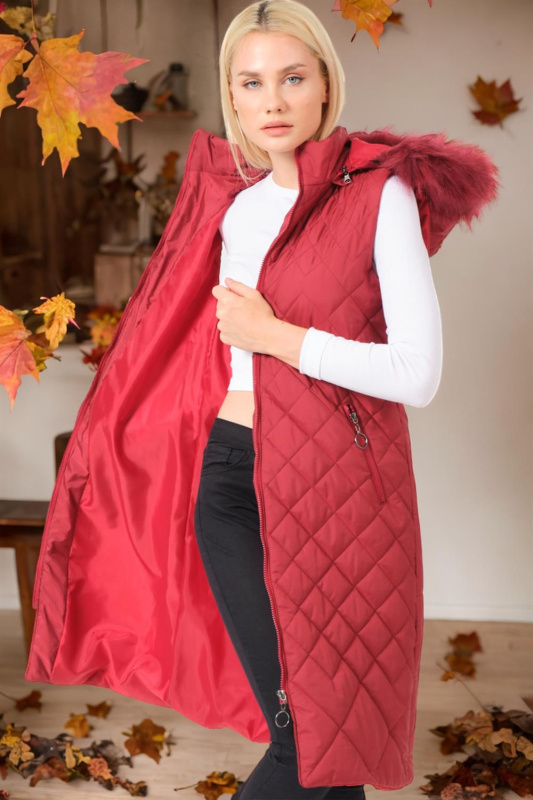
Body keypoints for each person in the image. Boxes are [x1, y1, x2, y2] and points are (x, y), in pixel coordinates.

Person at [25, 0, 500, 796]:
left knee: (317, 739)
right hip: (228, 480)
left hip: (335, 490)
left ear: (325, 86)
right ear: (232, 98)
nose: (272, 100)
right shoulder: (232, 211)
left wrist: (274, 335)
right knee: (311, 734)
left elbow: (416, 374)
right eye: (250, 83)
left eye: (292, 77)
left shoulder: (377, 195)